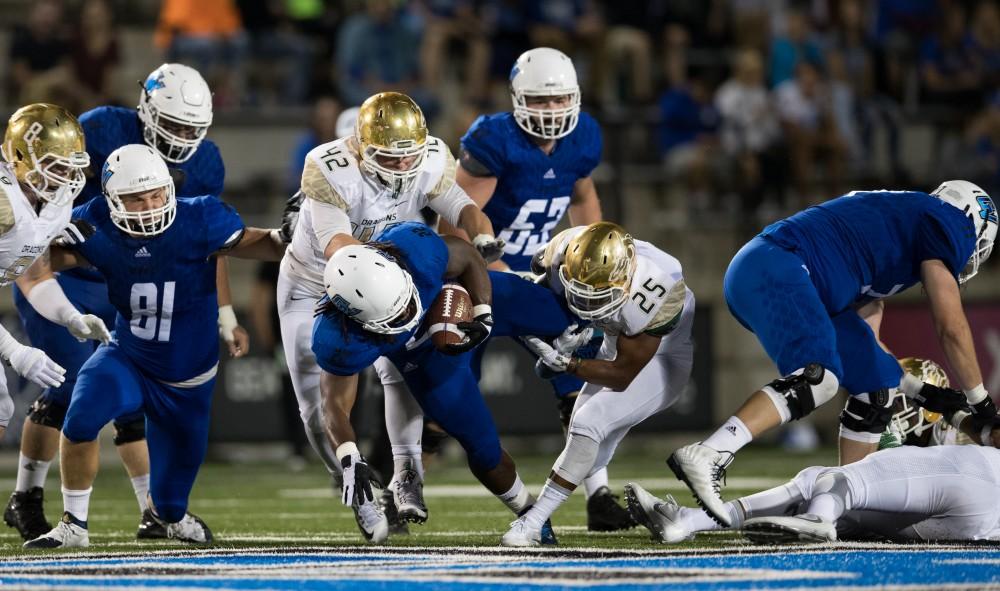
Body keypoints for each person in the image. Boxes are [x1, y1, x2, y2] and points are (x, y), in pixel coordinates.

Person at [5, 63, 247, 543]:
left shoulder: (205, 164)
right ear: (147, 109)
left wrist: (224, 311)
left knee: (130, 390)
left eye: (191, 129)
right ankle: (28, 496)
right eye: (173, 124)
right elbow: (41, 246)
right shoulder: (100, 129)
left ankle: (152, 510)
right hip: (68, 273)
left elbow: (203, 242)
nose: (180, 138)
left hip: (136, 281)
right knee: (73, 384)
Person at [668, 181, 999, 528]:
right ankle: (710, 453)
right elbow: (951, 326)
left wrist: (925, 393)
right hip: (777, 263)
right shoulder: (948, 222)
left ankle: (842, 501)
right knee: (820, 378)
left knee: (876, 390)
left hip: (787, 272)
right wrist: (980, 401)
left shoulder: (892, 242)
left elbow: (868, 355)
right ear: (971, 222)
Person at [20, 144, 287, 549]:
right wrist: (25, 243)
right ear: (111, 199)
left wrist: (291, 236)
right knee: (81, 415)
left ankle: (172, 515)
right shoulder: (94, 224)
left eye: (155, 195)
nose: (147, 207)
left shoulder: (200, 216)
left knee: (169, 504)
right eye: (134, 198)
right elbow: (36, 260)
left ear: (169, 189)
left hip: (188, 379)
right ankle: (74, 525)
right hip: (130, 356)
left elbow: (261, 242)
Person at [278, 91, 503, 538]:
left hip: (393, 277)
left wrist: (484, 241)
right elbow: (337, 248)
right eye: (389, 157)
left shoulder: (433, 157)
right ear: (361, 147)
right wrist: (400, 264)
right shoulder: (329, 169)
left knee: (400, 371)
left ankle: (407, 473)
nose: (402, 167)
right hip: (318, 283)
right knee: (313, 404)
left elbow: (464, 208)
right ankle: (351, 476)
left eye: (409, 158)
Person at [443, 47, 631, 532]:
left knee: (584, 370)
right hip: (485, 274)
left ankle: (599, 495)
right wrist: (498, 266)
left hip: (543, 272)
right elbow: (456, 220)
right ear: (517, 100)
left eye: (559, 101)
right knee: (446, 391)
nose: (551, 112)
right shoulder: (493, 140)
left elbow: (583, 194)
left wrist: (597, 256)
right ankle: (406, 473)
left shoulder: (584, 136)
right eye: (540, 102)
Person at [312, 221, 574, 543]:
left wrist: (482, 313)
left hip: (456, 298)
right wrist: (349, 455)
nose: (409, 312)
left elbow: (466, 256)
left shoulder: (414, 252)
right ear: (357, 319)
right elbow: (334, 405)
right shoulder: (340, 338)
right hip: (429, 361)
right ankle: (530, 514)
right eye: (394, 318)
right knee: (483, 447)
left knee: (566, 315)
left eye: (406, 299)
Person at [501, 222, 694, 546]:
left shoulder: (658, 287)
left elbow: (622, 373)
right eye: (580, 292)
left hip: (661, 358)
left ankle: (531, 524)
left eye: (598, 296)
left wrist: (567, 363)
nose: (587, 305)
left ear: (624, 280)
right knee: (588, 443)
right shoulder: (563, 251)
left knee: (589, 425)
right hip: (615, 339)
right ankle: (658, 514)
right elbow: (537, 280)